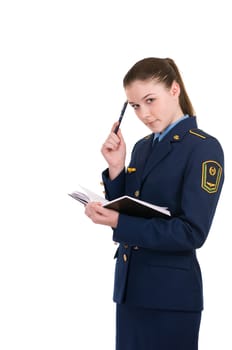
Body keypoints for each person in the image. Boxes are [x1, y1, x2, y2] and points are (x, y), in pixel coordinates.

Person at [84, 57, 224, 350]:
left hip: (171, 298)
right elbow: (133, 207)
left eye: (150, 100)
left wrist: (119, 223)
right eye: (134, 106)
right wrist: (116, 168)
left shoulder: (203, 148)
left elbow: (191, 233)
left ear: (174, 90)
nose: (144, 114)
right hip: (130, 290)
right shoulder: (143, 147)